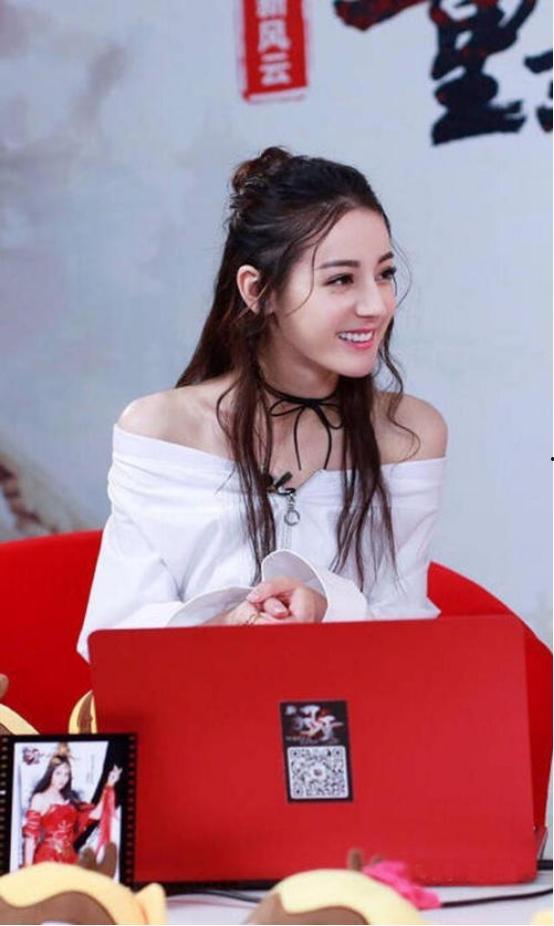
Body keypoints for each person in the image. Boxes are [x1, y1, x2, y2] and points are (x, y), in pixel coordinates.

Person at [77, 146, 447, 660]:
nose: (376, 304)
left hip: (353, 704)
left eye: (384, 274)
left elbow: (407, 627)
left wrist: (326, 609)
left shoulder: (409, 435)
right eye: (341, 279)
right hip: (197, 701)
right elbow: (114, 636)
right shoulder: (161, 429)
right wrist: (227, 623)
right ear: (258, 290)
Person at [22, 754, 122, 865]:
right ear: (50, 773)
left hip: (69, 857)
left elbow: (97, 814)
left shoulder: (70, 801)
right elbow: (30, 837)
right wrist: (28, 868)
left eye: (66, 774)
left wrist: (109, 784)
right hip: (47, 858)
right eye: (58, 773)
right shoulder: (39, 798)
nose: (62, 779)